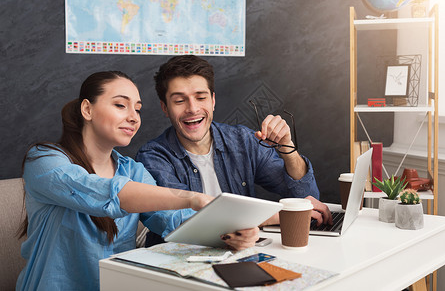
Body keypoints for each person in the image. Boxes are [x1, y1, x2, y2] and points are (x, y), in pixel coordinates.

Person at [16, 71, 258, 291]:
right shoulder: (44, 160)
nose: (133, 117)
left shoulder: (133, 171)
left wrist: (228, 233)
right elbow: (106, 193)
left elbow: (173, 220)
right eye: (121, 105)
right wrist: (192, 198)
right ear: (87, 110)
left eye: (138, 109)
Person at [136, 55, 332, 245]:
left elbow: (307, 199)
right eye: (179, 101)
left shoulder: (243, 140)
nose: (192, 108)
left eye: (201, 97)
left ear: (212, 101)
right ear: (165, 107)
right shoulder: (153, 157)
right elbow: (183, 223)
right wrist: (270, 217)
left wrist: (287, 148)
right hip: (176, 262)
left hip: (240, 255)